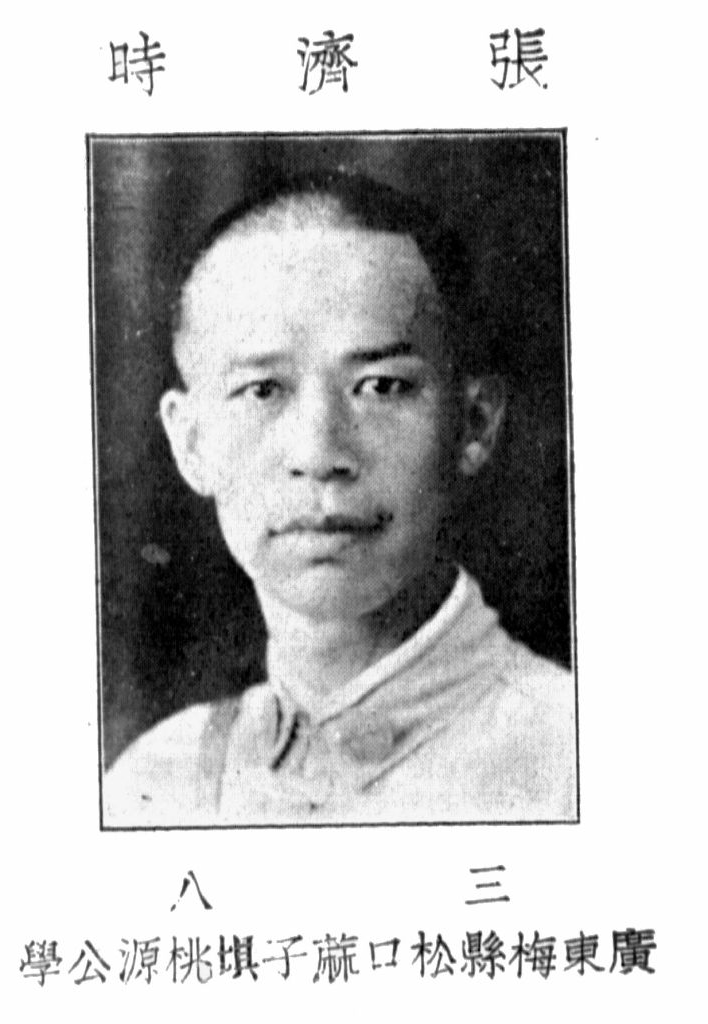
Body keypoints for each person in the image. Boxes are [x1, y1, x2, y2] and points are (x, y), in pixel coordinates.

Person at [103, 170, 577, 826]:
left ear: (474, 424)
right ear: (190, 442)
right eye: (263, 390)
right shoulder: (155, 783)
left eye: (381, 386)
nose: (320, 453)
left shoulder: (578, 760)